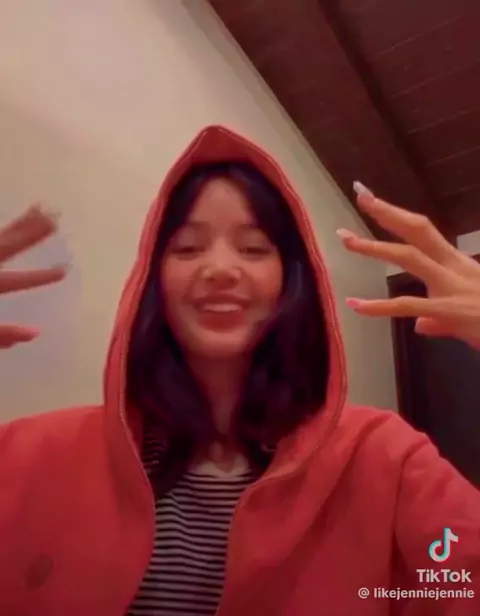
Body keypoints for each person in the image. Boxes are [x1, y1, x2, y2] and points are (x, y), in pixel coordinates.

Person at [0, 125, 478, 616]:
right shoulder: (28, 454)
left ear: (292, 280)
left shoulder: (385, 456)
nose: (221, 269)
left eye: (253, 248)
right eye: (188, 248)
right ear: (151, 282)